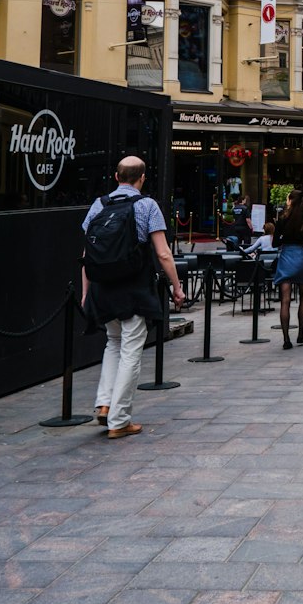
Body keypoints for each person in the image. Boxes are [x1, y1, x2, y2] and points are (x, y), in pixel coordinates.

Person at [80, 155, 183, 438]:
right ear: (142, 178)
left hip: (102, 288)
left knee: (112, 343)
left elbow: (87, 255)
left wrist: (86, 293)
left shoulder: (98, 205)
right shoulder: (147, 205)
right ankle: (119, 419)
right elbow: (163, 253)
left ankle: (104, 403)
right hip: (133, 288)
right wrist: (177, 286)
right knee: (130, 351)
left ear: (116, 177)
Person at [273, 189, 303, 350]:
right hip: (302, 257)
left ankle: (286, 339)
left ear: (290, 201)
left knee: (285, 300)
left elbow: (275, 243)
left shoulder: (282, 219)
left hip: (287, 256)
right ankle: (300, 334)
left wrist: (284, 238)